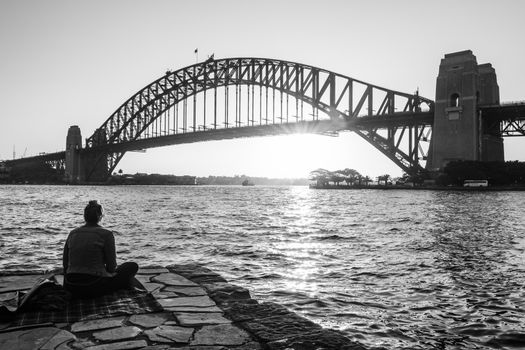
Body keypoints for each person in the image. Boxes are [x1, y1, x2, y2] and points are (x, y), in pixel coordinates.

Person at [62, 200, 139, 298]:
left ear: (84, 216)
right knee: (132, 266)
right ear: (100, 216)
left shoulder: (73, 233)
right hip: (94, 286)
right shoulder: (106, 234)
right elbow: (111, 267)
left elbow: (65, 265)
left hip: (71, 286)